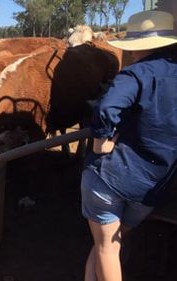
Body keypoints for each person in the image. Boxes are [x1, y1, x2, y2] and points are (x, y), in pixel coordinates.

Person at [81, 10, 177, 281]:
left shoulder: (135, 74)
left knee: (107, 247)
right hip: (153, 186)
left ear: (138, 46)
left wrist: (100, 141)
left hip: (112, 179)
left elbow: (105, 108)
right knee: (108, 240)